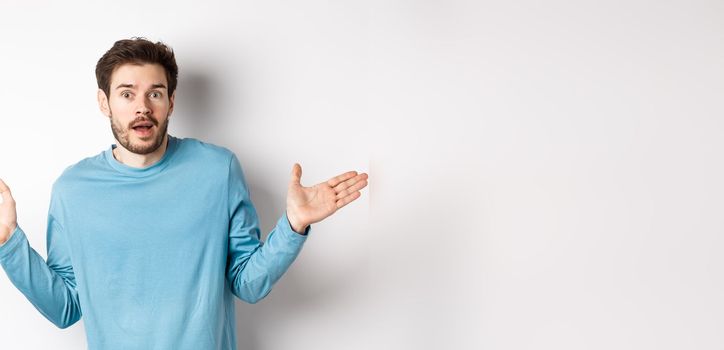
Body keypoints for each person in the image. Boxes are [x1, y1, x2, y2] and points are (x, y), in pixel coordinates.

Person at [0, 37, 368, 349]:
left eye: (154, 93)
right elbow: (65, 307)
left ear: (171, 102)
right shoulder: (73, 190)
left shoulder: (217, 170)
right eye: (127, 94)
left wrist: (293, 225)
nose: (142, 107)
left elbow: (248, 283)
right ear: (104, 103)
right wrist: (7, 243)